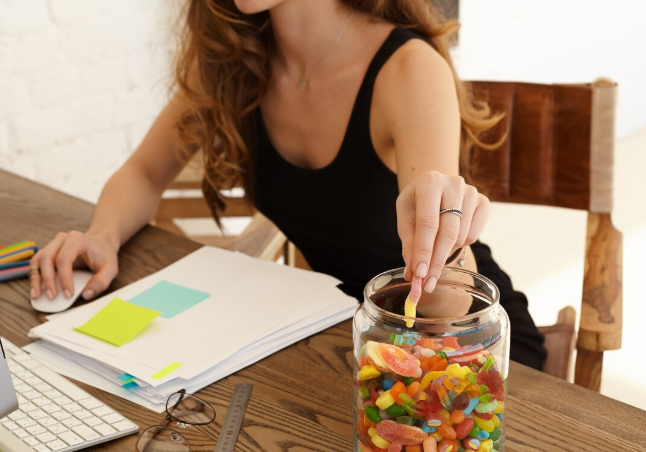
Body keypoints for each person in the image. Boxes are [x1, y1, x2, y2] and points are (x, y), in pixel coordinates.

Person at [28, 0, 547, 370]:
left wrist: (442, 243)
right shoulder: (233, 65)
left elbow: (448, 309)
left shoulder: (409, 70)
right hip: (343, 336)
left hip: (463, 349)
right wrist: (101, 235)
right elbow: (144, 173)